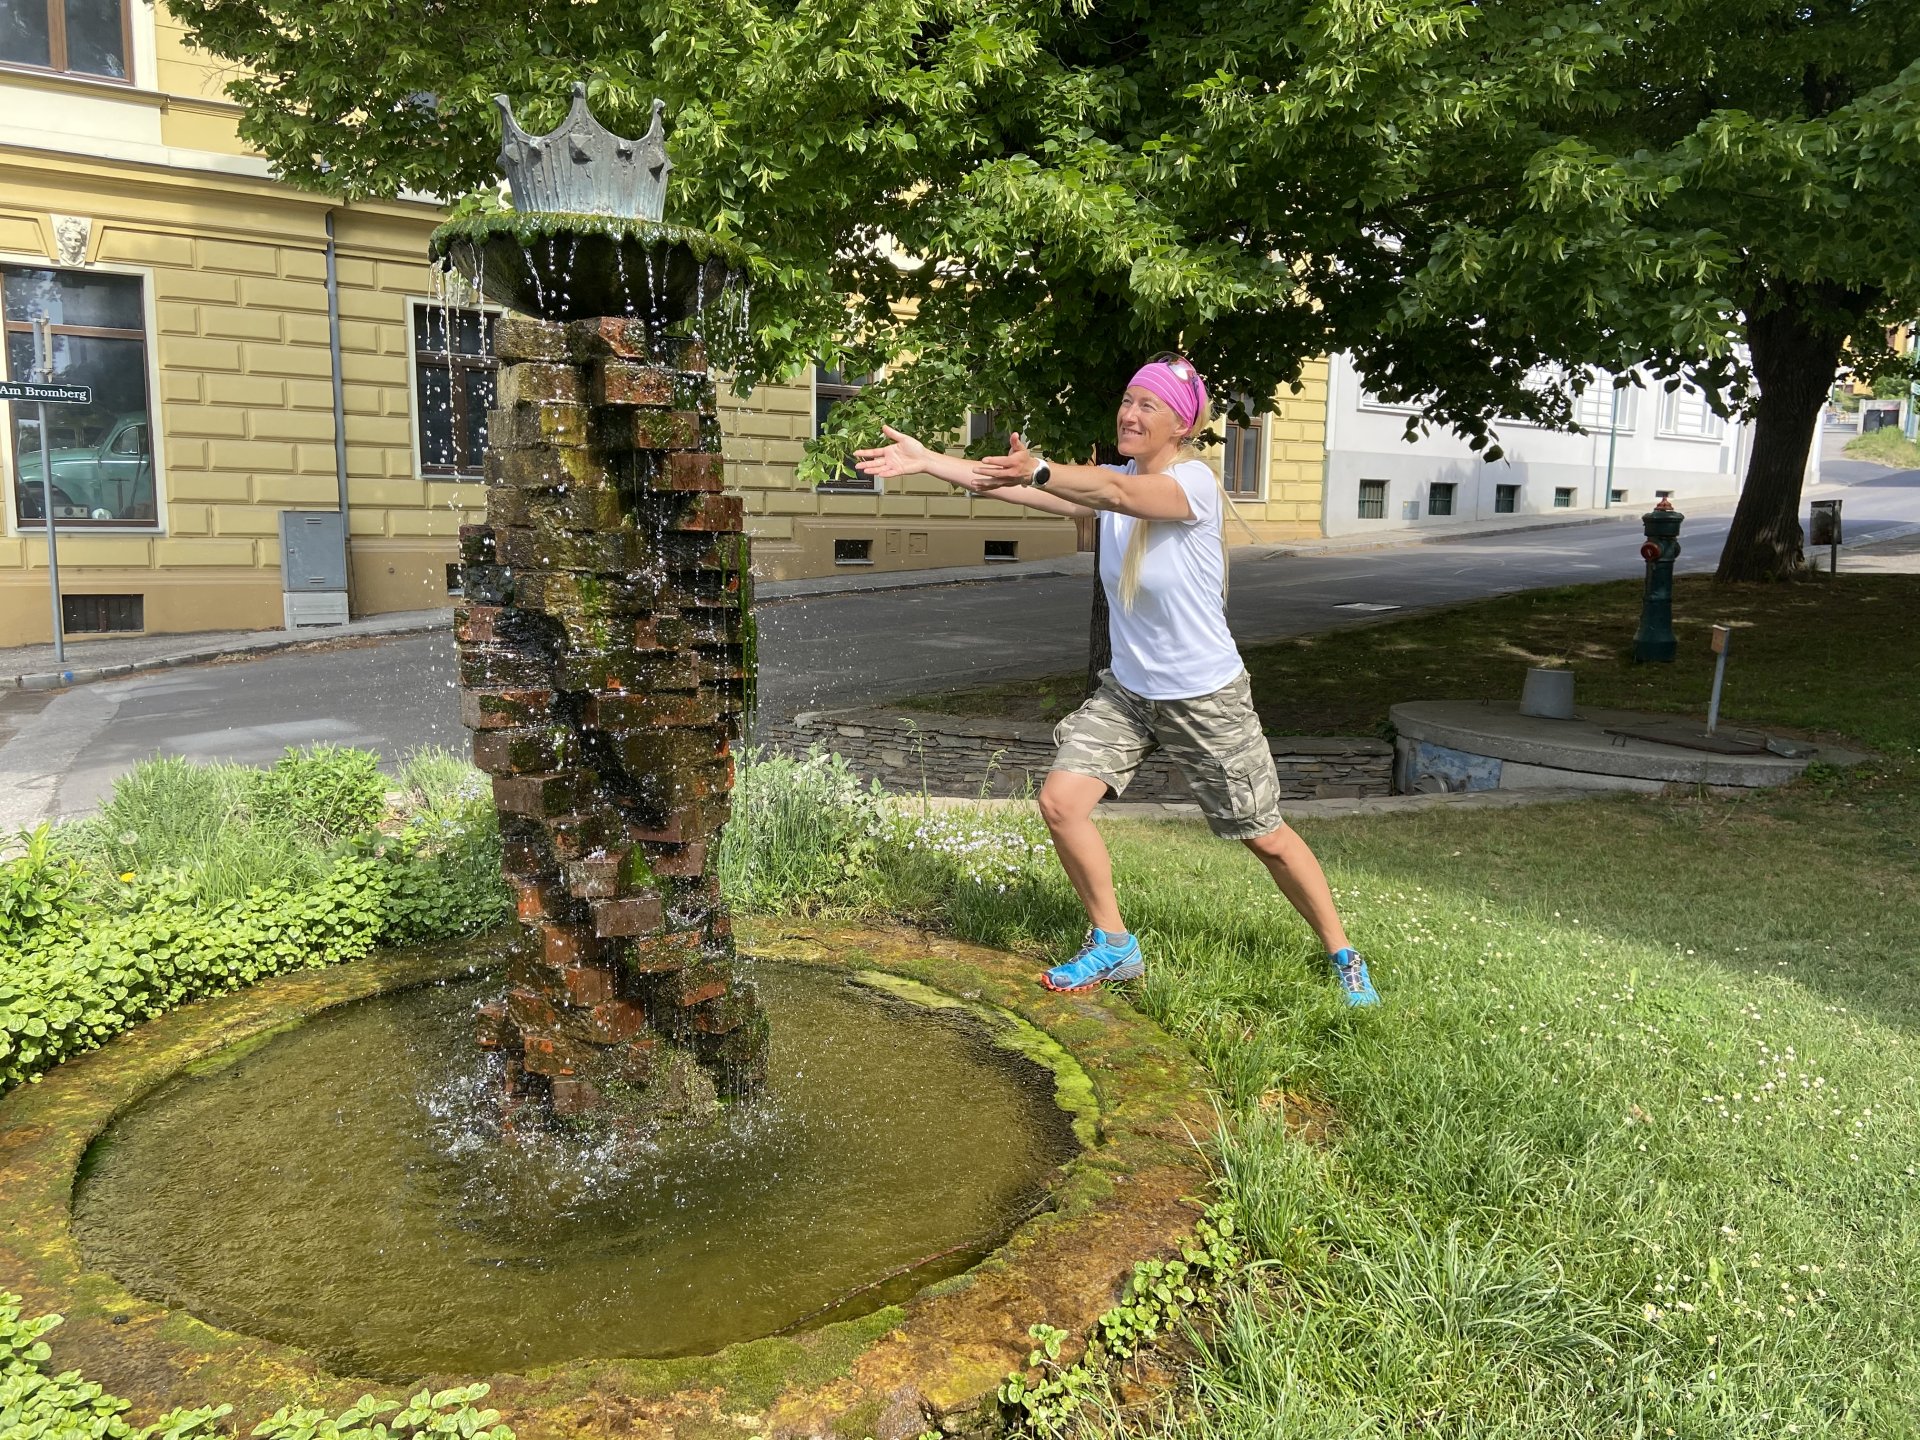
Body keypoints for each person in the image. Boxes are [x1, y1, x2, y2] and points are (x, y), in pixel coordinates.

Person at [854, 355, 1379, 1006]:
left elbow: (1117, 495)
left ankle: (1343, 952)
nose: (1129, 414)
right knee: (1060, 803)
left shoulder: (1187, 487)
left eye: (1147, 406)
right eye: (1127, 400)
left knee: (1264, 834)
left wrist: (1044, 467)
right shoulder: (1117, 478)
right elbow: (1024, 488)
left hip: (1203, 695)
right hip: (1130, 691)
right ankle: (1113, 943)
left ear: (1181, 424)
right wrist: (931, 459)